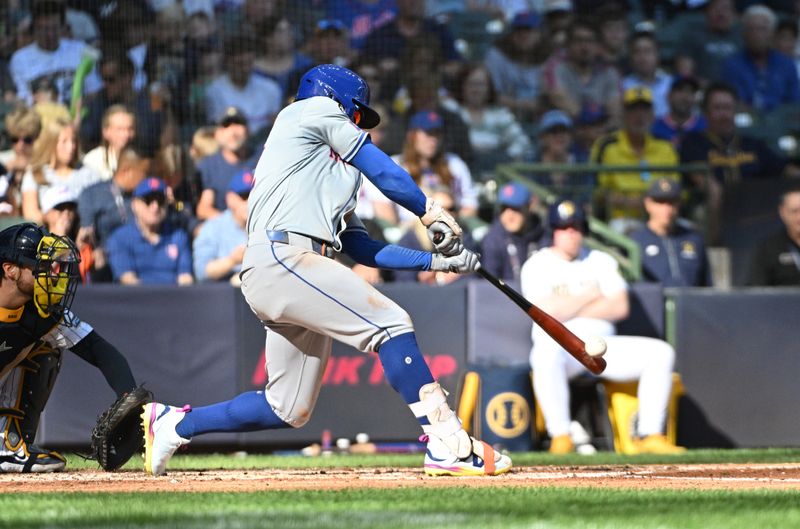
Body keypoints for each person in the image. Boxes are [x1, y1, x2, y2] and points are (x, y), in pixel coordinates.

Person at [143, 64, 510, 477]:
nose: (357, 122)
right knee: (390, 324)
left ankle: (174, 424)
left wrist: (435, 261)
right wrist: (426, 209)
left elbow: (361, 246)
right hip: (283, 256)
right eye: (355, 112)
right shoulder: (308, 110)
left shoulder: (329, 169)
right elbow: (382, 168)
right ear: (332, 97)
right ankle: (449, 443)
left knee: (287, 407)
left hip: (297, 267)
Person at [521, 199, 684, 455]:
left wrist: (568, 306)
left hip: (603, 346)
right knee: (543, 354)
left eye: (575, 227)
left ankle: (650, 434)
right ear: (553, 231)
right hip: (562, 349)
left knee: (661, 352)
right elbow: (546, 313)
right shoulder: (537, 264)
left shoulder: (600, 260)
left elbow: (620, 307)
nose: (571, 233)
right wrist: (590, 294)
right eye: (564, 228)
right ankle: (560, 435)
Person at [0, 223, 137, 472]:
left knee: (46, 349)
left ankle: (8, 446)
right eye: (40, 266)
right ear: (10, 270)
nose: (50, 274)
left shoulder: (42, 313)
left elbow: (99, 349)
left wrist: (129, 399)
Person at [680, 82, 788, 245]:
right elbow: (702, 180)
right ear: (706, 113)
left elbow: (785, 170)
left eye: (727, 108)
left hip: (755, 208)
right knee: (707, 206)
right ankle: (713, 252)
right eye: (717, 108)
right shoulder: (694, 142)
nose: (723, 114)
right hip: (714, 209)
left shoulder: (752, 144)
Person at [591, 86, 679, 234]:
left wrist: (652, 205)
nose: (640, 116)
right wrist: (636, 203)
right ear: (624, 114)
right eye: (633, 110)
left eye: (644, 110)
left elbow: (676, 187)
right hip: (622, 218)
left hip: (662, 216)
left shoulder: (666, 146)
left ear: (652, 114)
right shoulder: (607, 146)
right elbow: (598, 191)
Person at [8, 0, 101, 104]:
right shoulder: (19, 59)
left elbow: (94, 90)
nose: (50, 34)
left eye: (54, 28)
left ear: (63, 26)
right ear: (34, 28)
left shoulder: (81, 49)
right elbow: (23, 98)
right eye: (44, 29)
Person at [77, 147, 149, 282]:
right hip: (107, 262)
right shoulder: (91, 194)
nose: (146, 179)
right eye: (144, 173)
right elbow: (86, 233)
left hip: (141, 256)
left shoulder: (144, 197)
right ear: (127, 171)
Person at [106, 177, 193, 286]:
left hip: (174, 299)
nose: (155, 207)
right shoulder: (119, 238)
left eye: (160, 200)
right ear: (134, 205)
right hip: (137, 300)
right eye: (148, 200)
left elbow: (185, 278)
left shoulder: (179, 236)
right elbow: (128, 280)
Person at [630, 178, 712, 288]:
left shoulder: (694, 239)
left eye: (671, 202)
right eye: (660, 202)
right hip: (652, 303)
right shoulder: (636, 241)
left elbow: (706, 284)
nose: (666, 208)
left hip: (691, 302)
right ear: (648, 204)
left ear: (679, 204)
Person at [720, 5, 799, 113]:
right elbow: (735, 102)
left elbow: (794, 102)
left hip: (782, 124)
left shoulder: (787, 64)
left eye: (762, 29)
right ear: (744, 34)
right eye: (751, 29)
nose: (757, 34)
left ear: (772, 34)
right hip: (746, 124)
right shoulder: (731, 65)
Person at [21, 119, 101, 224]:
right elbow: (30, 214)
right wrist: (55, 218)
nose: (71, 147)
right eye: (64, 141)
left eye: (73, 141)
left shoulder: (89, 173)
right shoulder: (34, 175)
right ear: (51, 143)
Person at [204, 33, 283, 135]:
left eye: (248, 63)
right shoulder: (214, 91)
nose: (245, 69)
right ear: (228, 62)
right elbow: (216, 129)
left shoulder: (271, 88)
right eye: (240, 64)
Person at [195, 107, 261, 220]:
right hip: (226, 232)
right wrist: (233, 224)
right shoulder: (209, 165)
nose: (233, 132)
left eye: (238, 123)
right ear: (217, 134)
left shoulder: (261, 157)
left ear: (248, 129)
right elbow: (204, 208)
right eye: (226, 125)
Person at [193, 169, 253, 284]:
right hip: (222, 295)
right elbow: (201, 272)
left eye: (253, 195)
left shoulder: (268, 225)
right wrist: (232, 261)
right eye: (244, 196)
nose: (249, 201)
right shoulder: (213, 228)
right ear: (230, 198)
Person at [479, 182, 542, 281]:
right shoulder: (493, 240)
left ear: (529, 207)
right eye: (504, 209)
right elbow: (490, 286)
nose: (509, 215)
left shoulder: (543, 236)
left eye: (515, 208)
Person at [674, 0, 741, 84]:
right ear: (707, 12)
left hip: (737, 92)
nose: (721, 14)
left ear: (734, 14)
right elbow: (685, 73)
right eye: (716, 9)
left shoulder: (742, 37)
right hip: (702, 91)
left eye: (726, 9)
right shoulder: (692, 36)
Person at [746, 187, 800, 286]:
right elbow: (756, 289)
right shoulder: (768, 249)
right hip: (784, 301)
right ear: (783, 212)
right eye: (794, 211)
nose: (799, 217)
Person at [622, 32, 672, 118]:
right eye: (637, 51)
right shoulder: (623, 85)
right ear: (630, 56)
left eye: (648, 51)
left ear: (657, 54)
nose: (643, 57)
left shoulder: (670, 84)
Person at [81, 105, 137, 182]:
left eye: (130, 129)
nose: (126, 135)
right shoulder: (93, 160)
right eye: (120, 129)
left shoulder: (139, 160)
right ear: (106, 132)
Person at [651, 77, 707, 149]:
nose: (684, 97)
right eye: (679, 91)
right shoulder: (654, 127)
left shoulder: (705, 126)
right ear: (669, 96)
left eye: (690, 92)